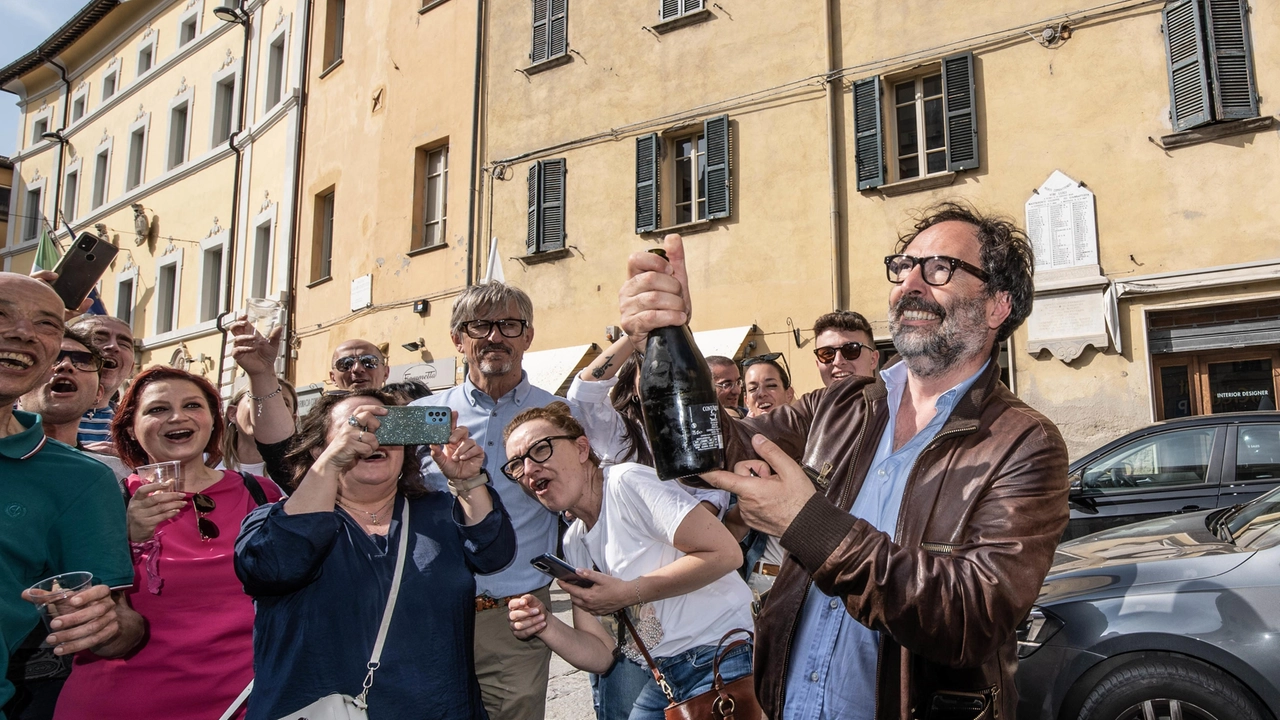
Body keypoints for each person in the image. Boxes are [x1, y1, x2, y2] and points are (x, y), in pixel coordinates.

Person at [618, 203, 1070, 720]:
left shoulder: (1025, 442)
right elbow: (705, 451)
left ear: (997, 305)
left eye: (939, 268)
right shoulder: (838, 405)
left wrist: (807, 525)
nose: (909, 284)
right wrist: (666, 338)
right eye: (902, 267)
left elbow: (971, 619)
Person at [234, 390, 515, 719]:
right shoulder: (271, 520)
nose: (372, 439)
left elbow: (495, 554)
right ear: (318, 450)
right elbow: (273, 566)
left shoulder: (439, 511)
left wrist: (468, 481)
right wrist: (331, 465)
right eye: (357, 428)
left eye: (386, 428)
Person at [54, 366, 284, 720]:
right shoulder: (101, 497)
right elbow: (76, 598)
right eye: (158, 409)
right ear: (131, 427)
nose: (178, 417)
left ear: (212, 420)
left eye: (193, 406)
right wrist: (127, 537)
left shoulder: (259, 492)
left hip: (242, 701)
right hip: (123, 702)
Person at [504, 403, 755, 720]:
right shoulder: (574, 542)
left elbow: (725, 553)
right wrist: (544, 624)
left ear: (582, 448)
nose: (528, 470)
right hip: (665, 675)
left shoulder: (626, 483)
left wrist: (628, 593)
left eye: (541, 449)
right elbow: (600, 652)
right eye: (516, 465)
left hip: (719, 656)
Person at [411, 281, 581, 720]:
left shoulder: (556, 414)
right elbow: (354, 466)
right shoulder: (427, 416)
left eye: (509, 324)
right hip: (431, 618)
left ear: (527, 336)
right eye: (480, 325)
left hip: (516, 618)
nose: (495, 336)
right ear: (457, 339)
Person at [566, 339, 729, 720]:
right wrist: (633, 338)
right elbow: (583, 392)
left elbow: (720, 533)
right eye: (655, 374)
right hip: (634, 620)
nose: (666, 383)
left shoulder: (712, 437)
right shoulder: (622, 434)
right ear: (635, 385)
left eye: (677, 375)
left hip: (696, 612)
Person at [0, 273, 137, 719]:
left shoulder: (82, 480)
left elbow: (122, 625)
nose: (23, 332)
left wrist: (103, 623)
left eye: (46, 324)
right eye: (2, 314)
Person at [16, 327, 130, 483]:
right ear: (18, 386)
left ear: (98, 393)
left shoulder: (118, 476)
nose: (66, 365)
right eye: (53, 357)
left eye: (83, 360)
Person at [69, 314, 134, 449]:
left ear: (131, 368)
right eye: (98, 339)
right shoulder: (22, 415)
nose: (113, 346)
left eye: (123, 344)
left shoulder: (136, 427)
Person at [220, 380, 298, 477]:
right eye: (257, 399)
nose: (268, 408)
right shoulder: (204, 463)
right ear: (233, 413)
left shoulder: (300, 472)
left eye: (283, 403)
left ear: (292, 420)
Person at [811, 310, 880, 387]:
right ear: (818, 364)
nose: (838, 361)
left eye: (851, 350)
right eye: (827, 353)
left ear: (873, 360)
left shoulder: (892, 398)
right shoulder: (810, 399)